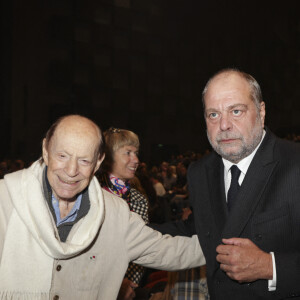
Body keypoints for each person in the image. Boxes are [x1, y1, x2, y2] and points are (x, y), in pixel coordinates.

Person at [0, 115, 206, 300]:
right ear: (45, 150)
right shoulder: (5, 199)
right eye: (62, 156)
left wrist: (228, 247)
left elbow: (169, 251)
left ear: (98, 162)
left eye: (84, 160)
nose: (71, 171)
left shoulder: (114, 214)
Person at [152, 69, 300, 299]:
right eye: (213, 115)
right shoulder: (200, 171)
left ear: (261, 112)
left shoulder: (294, 163)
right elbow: (200, 228)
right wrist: (125, 231)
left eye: (236, 111)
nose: (224, 125)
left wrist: (269, 266)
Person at [98, 127, 149, 300]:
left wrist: (128, 283)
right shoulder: (87, 192)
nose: (136, 160)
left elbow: (139, 249)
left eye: (136, 153)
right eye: (128, 152)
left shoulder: (137, 199)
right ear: (108, 156)